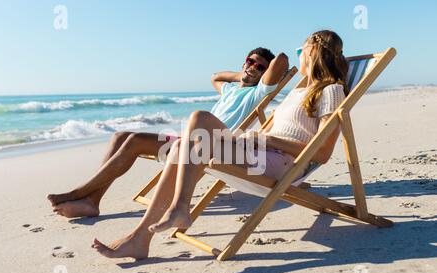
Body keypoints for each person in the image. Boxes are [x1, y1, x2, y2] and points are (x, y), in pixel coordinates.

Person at [92, 30, 349, 260]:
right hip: (259, 152)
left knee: (199, 119)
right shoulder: (300, 92)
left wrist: (264, 139)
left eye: (300, 51)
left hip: (281, 164)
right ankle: (141, 238)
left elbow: (323, 152)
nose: (298, 57)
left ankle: (178, 208)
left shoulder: (332, 91)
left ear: (312, 52)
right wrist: (252, 138)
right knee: (185, 144)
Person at [47, 48, 289, 218]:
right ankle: (92, 200)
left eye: (259, 67)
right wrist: (242, 75)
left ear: (264, 74)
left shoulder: (257, 94)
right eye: (250, 61)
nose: (253, 67)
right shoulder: (230, 90)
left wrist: (259, 75)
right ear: (243, 61)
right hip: (188, 140)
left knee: (133, 141)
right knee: (119, 136)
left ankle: (81, 193)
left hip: (207, 146)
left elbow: (282, 60)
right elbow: (215, 76)